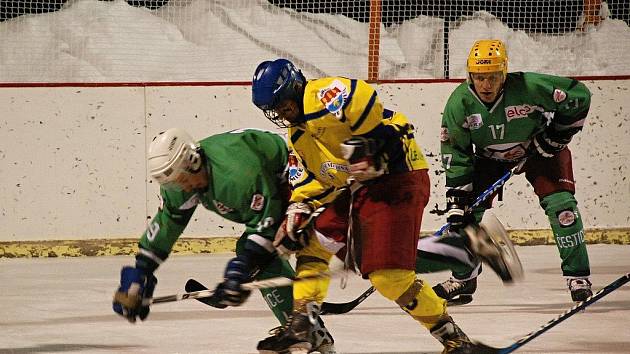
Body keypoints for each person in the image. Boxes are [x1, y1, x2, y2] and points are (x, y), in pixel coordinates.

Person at [251, 58, 497, 354]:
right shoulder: (299, 135)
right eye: (274, 110)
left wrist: (373, 141)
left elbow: (366, 100)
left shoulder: (320, 95)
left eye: (282, 105)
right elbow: (322, 179)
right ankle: (304, 322)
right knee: (315, 242)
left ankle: (456, 332)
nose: (280, 113)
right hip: (362, 187)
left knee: (388, 276)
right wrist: (299, 210)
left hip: (399, 177)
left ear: (295, 88)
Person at [112, 127, 336, 354]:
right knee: (256, 257)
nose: (182, 187)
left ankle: (303, 330)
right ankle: (305, 330)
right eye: (173, 184)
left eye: (181, 179)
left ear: (193, 161)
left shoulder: (236, 173)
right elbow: (169, 222)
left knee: (262, 254)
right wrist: (141, 272)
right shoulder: (183, 179)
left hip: (301, 177)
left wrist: (243, 266)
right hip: (274, 187)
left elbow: (266, 223)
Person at [433, 39, 593, 304]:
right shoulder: (459, 102)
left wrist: (556, 136)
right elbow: (456, 150)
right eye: (479, 77)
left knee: (563, 208)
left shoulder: (529, 86)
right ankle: (464, 278)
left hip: (540, 151)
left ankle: (578, 277)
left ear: (504, 73)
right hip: (489, 158)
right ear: (470, 75)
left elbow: (579, 96)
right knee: (463, 220)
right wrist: (458, 197)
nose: (486, 85)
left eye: (493, 77)